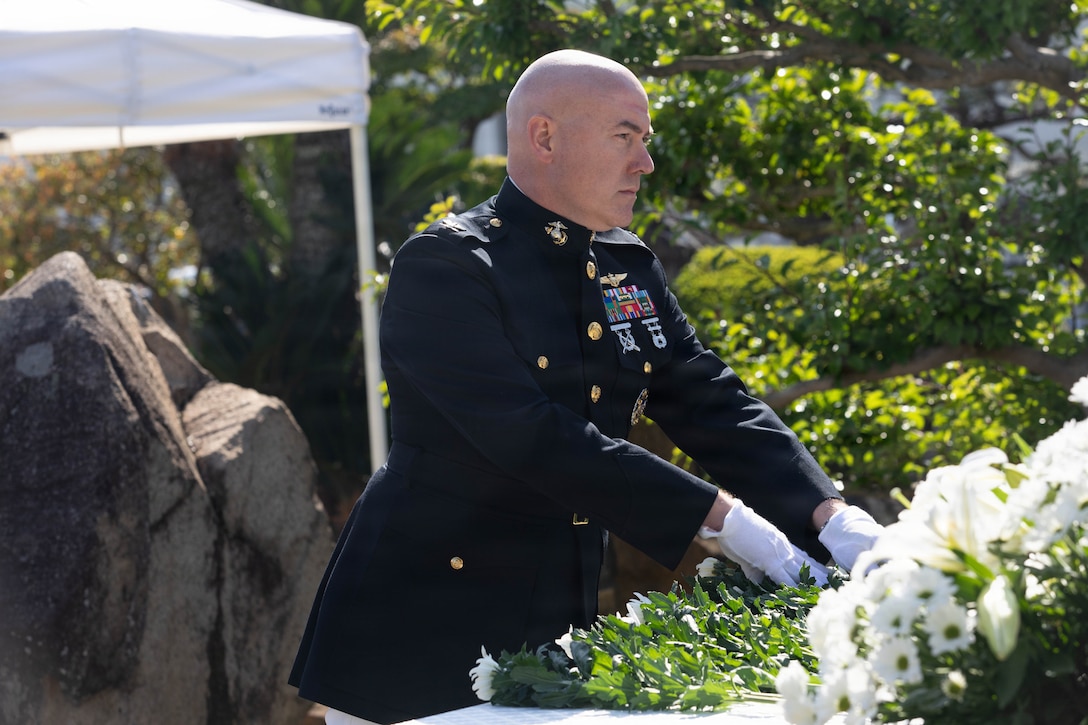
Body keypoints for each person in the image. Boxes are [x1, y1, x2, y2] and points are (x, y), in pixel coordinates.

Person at [289, 48, 883, 724]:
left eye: (645, 139)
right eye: (624, 136)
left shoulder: (627, 266)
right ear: (544, 137)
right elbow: (529, 435)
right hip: (418, 630)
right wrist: (724, 519)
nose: (645, 162)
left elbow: (710, 399)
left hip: (555, 620)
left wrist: (830, 516)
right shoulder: (448, 267)